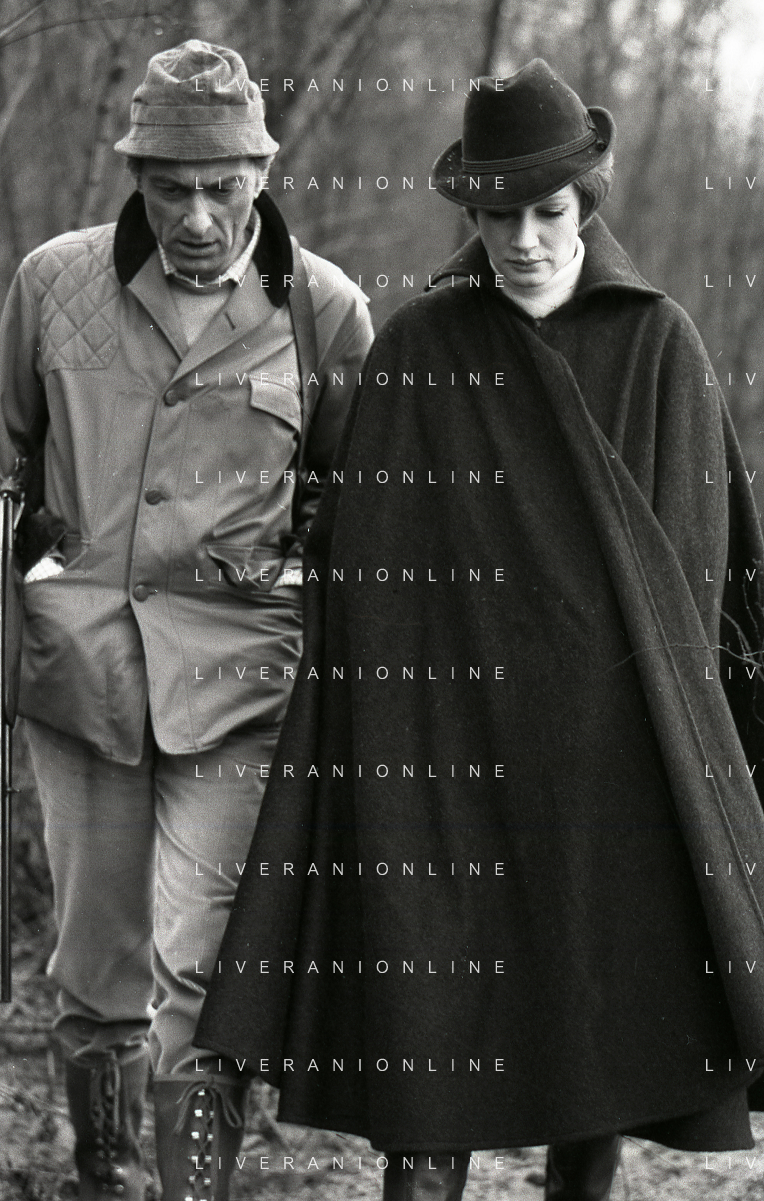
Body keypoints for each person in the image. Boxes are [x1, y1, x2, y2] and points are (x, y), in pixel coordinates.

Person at [196, 59, 764, 1200]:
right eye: (498, 216)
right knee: (431, 1049)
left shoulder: (660, 344)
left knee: (594, 1046)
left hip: (604, 769)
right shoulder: (419, 346)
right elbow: (371, 584)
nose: (523, 239)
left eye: (546, 212)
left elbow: (700, 586)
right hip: (447, 768)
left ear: (584, 200)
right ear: (470, 213)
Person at [0, 38, 372, 1201]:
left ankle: (192, 1188)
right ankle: (104, 1173)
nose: (198, 216)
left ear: (261, 172)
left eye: (221, 187)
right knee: (97, 961)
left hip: (242, 683)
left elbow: (358, 503)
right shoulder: (54, 284)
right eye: (171, 189)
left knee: (203, 961)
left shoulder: (322, 310)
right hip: (83, 673)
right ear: (137, 178)